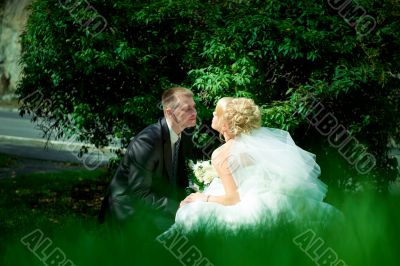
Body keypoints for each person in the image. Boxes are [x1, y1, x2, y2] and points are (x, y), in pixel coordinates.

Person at [167, 97, 341, 234]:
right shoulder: (257, 148)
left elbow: (232, 199)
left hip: (246, 205)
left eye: (216, 113)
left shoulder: (221, 154)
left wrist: (202, 198)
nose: (212, 114)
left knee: (189, 214)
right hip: (273, 199)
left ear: (226, 124)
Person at [98, 87, 197, 235]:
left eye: (194, 107)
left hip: (153, 206)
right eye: (187, 109)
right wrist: (178, 208)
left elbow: (177, 179)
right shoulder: (148, 141)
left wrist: (193, 199)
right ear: (169, 112)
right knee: (185, 233)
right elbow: (138, 193)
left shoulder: (182, 134)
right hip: (127, 211)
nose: (194, 113)